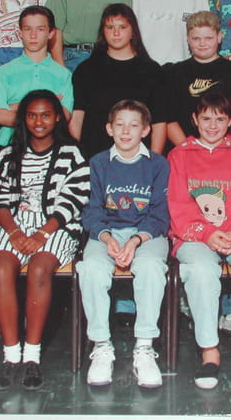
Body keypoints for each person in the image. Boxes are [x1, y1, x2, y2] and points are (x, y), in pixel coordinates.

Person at [0, 89, 90, 390]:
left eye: (45, 115)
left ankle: (32, 355)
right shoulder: (8, 154)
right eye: (32, 115)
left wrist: (43, 233)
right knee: (1, 268)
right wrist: (14, 232)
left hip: (56, 226)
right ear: (23, 119)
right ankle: (11, 355)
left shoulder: (72, 154)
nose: (39, 121)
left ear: (57, 117)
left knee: (40, 268)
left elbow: (74, 199)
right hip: (12, 224)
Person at [167, 91, 231, 390]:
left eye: (220, 119)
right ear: (194, 120)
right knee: (201, 271)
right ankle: (209, 351)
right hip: (196, 234)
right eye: (206, 119)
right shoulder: (179, 155)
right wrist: (206, 233)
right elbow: (177, 205)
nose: (212, 126)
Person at [79, 100, 170, 388]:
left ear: (146, 130)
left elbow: (160, 214)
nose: (126, 131)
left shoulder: (158, 164)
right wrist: (106, 238)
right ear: (109, 129)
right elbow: (92, 211)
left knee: (151, 266)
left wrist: (135, 239)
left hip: (146, 234)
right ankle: (101, 345)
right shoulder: (97, 163)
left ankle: (144, 346)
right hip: (107, 232)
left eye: (134, 125)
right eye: (119, 124)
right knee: (91, 267)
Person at [70, 3, 165, 158]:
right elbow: (77, 119)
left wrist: (153, 163)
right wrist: (74, 158)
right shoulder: (86, 70)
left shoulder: (152, 71)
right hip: (93, 158)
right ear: (103, 31)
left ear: (133, 31)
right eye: (110, 27)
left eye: (122, 27)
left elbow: (159, 123)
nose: (116, 33)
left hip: (139, 160)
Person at [160, 10, 231, 149]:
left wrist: (224, 148)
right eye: (196, 38)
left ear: (219, 37)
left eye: (208, 38)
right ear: (188, 39)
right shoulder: (174, 72)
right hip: (186, 149)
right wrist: (190, 150)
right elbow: (169, 120)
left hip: (226, 148)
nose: (202, 43)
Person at [0, 5, 73, 146]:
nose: (33, 35)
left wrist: (13, 107)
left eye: (40, 29)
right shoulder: (4, 72)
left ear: (50, 33)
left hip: (50, 149)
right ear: (20, 32)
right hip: (9, 146)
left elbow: (64, 116)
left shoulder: (63, 75)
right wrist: (46, 110)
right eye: (27, 29)